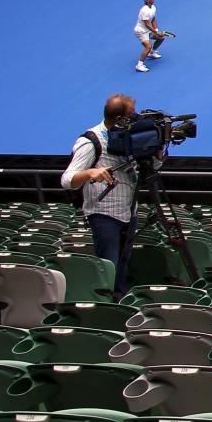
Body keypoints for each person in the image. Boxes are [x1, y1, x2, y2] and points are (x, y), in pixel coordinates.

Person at [60, 94, 161, 300]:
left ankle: (121, 298)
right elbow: (67, 179)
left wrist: (158, 157)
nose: (137, 118)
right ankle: (106, 306)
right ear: (119, 119)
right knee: (108, 266)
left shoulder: (129, 136)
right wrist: (89, 173)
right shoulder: (90, 142)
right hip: (104, 214)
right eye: (132, 114)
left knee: (123, 264)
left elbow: (145, 171)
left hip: (128, 210)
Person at [134, 0, 166, 73]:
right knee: (148, 46)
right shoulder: (144, 10)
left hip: (148, 30)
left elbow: (153, 19)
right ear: (147, 1)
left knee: (161, 38)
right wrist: (155, 32)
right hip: (141, 31)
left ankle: (152, 53)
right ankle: (139, 65)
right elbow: (147, 24)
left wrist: (157, 30)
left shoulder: (153, 8)